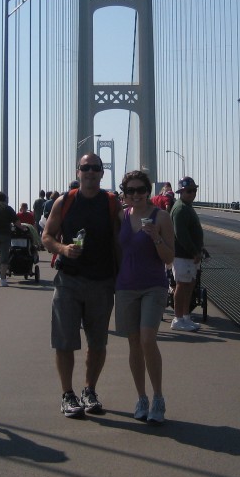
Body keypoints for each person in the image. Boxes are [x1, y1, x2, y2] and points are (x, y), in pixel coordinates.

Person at [41, 154, 119, 418]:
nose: (90, 172)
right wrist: (62, 248)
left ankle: (90, 390)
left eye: (95, 168)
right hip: (69, 281)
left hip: (102, 281)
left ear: (101, 173)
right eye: (85, 168)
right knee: (64, 341)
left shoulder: (110, 202)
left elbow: (122, 237)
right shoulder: (64, 201)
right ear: (78, 171)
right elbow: (47, 236)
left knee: (98, 342)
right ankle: (67, 395)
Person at [116, 170, 174, 424]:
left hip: (153, 285)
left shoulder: (160, 217)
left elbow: (169, 258)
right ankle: (141, 397)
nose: (136, 195)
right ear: (124, 193)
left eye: (141, 190)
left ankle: (158, 397)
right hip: (126, 286)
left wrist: (156, 238)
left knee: (147, 339)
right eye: (131, 191)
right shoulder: (121, 215)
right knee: (133, 343)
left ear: (148, 192)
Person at [170, 176, 203, 331]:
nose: (192, 193)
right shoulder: (181, 209)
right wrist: (194, 251)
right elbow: (181, 234)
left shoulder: (187, 206)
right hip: (183, 255)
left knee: (189, 285)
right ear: (181, 192)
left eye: (194, 190)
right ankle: (177, 319)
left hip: (189, 256)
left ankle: (185, 317)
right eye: (189, 191)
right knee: (182, 286)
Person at [0, 191, 21, 286]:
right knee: (4, 258)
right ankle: (3, 279)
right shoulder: (8, 208)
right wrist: (23, 228)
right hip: (5, 235)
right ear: (5, 199)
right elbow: (16, 221)